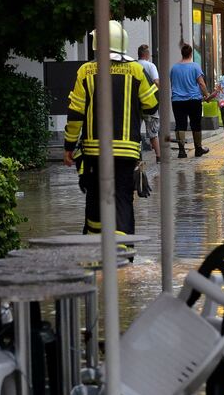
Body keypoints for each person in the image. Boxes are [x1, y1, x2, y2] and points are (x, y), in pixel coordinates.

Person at [63, 20, 158, 235]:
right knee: (123, 200)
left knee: (95, 199)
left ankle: (97, 253)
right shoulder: (135, 70)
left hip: (95, 153)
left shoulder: (85, 71)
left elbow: (75, 114)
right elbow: (151, 106)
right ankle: (123, 256)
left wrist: (69, 146)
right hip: (126, 153)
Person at [170, 43, 211, 158]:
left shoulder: (174, 68)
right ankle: (198, 149)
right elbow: (201, 83)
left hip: (177, 100)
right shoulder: (195, 66)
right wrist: (207, 95)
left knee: (180, 125)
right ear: (191, 54)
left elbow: (172, 83)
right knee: (196, 124)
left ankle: (181, 151)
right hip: (193, 100)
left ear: (182, 54)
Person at [137, 44, 160, 163]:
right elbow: (156, 82)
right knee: (153, 132)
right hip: (149, 105)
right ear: (147, 55)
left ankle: (137, 156)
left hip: (136, 105)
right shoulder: (151, 66)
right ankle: (159, 156)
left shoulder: (134, 66)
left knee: (135, 131)